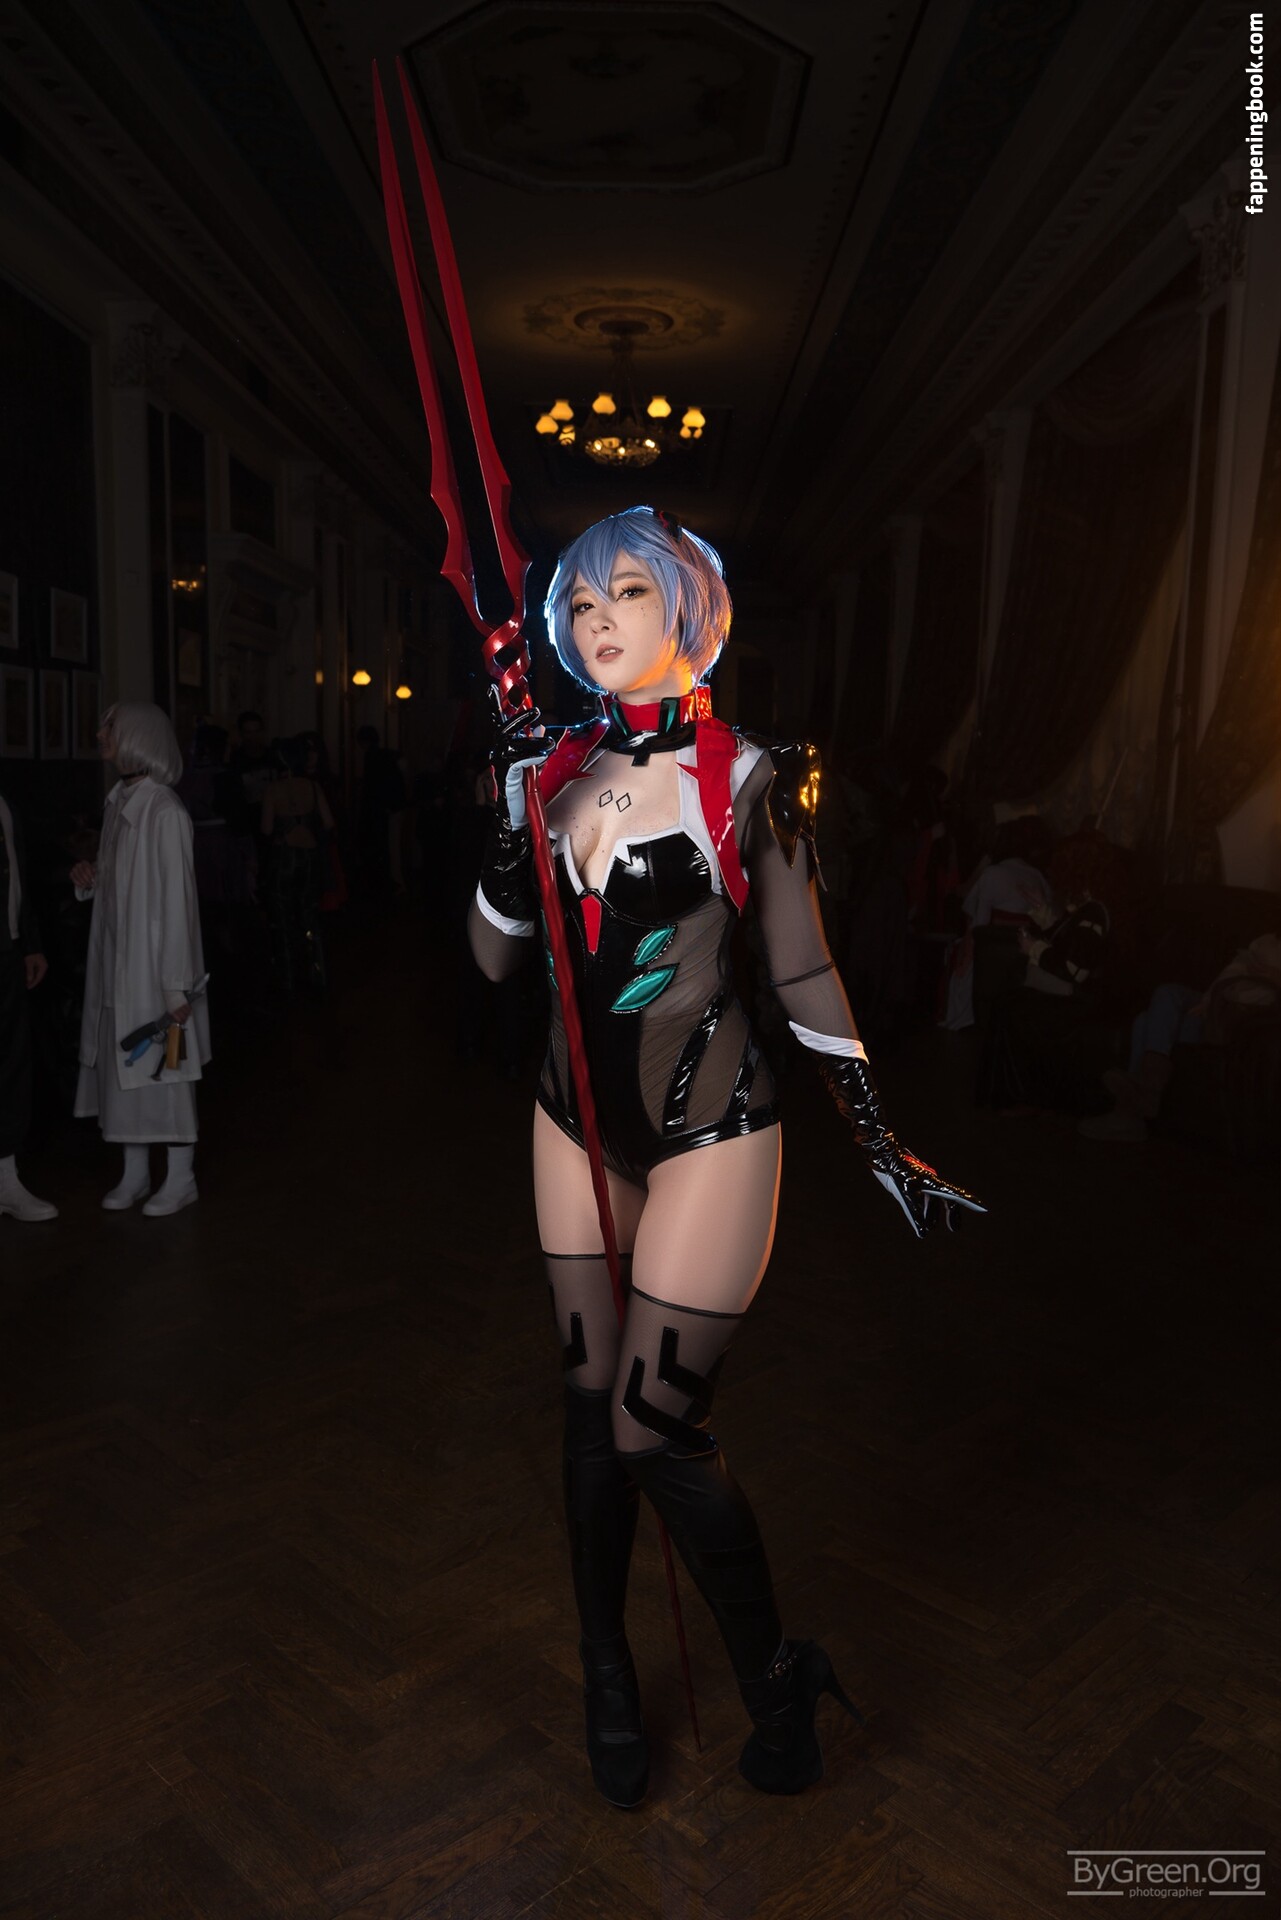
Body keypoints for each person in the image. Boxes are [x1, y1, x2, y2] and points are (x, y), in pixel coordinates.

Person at [468, 506, 984, 1809]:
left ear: (689, 607)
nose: (598, 618)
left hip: (712, 1127)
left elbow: (801, 969)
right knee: (591, 1411)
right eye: (581, 602)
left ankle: (776, 1677)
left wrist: (880, 1140)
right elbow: (493, 959)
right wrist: (510, 819)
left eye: (628, 592)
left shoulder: (751, 776)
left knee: (652, 1428)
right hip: (571, 1121)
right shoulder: (549, 766)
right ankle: (605, 1673)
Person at [72, 703, 210, 1216]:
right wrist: (91, 878)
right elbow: (121, 885)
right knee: (123, 1070)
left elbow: (178, 904)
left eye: (110, 726)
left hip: (155, 970)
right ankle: (135, 1173)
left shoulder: (164, 810)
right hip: (118, 963)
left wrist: (175, 985)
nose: (100, 734)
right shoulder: (119, 802)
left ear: (137, 735)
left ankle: (181, 1177)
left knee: (165, 1070)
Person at [1080, 932, 1281, 1142]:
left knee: (1144, 1021)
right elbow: (1233, 970)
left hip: (1240, 1017)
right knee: (1166, 993)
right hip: (1216, 1002)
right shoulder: (1266, 941)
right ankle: (1147, 1092)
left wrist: (1274, 976)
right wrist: (1208, 1000)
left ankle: (1129, 1115)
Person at [0, 789, 56, 1221]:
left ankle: (6, 1183)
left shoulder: (6, 801)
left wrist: (29, 943)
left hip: (9, 950)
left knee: (11, 1064)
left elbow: (19, 874)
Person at [260, 734, 334, 993]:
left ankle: (288, 980)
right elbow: (329, 823)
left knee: (283, 920)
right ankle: (317, 976)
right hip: (310, 857)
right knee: (310, 918)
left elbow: (266, 829)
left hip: (284, 858)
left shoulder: (273, 789)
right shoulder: (313, 787)